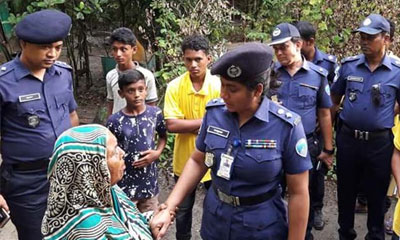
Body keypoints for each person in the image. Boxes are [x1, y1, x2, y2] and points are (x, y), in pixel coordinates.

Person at [153, 42, 312, 240]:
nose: (223, 94)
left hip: (261, 227)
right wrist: (169, 207)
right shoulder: (215, 113)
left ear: (257, 90)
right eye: (222, 85)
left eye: (232, 89)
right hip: (216, 221)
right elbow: (198, 160)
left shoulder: (286, 127)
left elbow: (298, 193)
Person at [0, 9, 79, 240]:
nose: (52, 54)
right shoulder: (4, 83)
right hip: (26, 183)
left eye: (58, 47)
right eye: (45, 47)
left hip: (66, 173)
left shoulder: (63, 74)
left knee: (70, 232)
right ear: (24, 44)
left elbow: (72, 116)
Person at [330, 13, 400, 240]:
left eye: (370, 37)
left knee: (377, 195)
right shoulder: (349, 67)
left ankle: (375, 235)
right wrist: (328, 139)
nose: (364, 41)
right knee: (346, 192)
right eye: (362, 37)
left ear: (387, 39)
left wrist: (384, 114)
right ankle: (345, 234)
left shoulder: (397, 71)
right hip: (349, 139)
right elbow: (333, 100)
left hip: (379, 144)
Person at [269, 22, 334, 240]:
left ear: (298, 45)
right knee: (273, 195)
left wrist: (327, 149)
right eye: (275, 49)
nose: (279, 53)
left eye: (283, 47)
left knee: (303, 196)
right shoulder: (269, 75)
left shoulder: (317, 75)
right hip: (273, 147)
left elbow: (325, 113)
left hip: (304, 145)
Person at [41, 124, 159, 239]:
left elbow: (129, 221)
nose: (122, 153)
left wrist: (155, 217)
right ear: (92, 169)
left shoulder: (109, 192)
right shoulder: (86, 231)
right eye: (113, 152)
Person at [163, 34, 220, 240]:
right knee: (182, 210)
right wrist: (207, 123)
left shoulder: (219, 86)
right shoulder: (175, 87)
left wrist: (189, 124)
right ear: (183, 59)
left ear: (208, 59)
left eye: (198, 59)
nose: (193, 64)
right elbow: (172, 124)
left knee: (214, 209)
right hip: (184, 160)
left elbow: (225, 122)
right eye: (189, 59)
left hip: (213, 160)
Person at [294, 20, 338, 231]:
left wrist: (324, 124)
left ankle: (317, 208)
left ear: (310, 42)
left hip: (318, 129)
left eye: (299, 42)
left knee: (317, 173)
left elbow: (334, 98)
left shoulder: (328, 64)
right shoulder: (285, 66)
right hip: (297, 130)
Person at [106, 69, 167, 212]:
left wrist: (157, 153)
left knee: (151, 225)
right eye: (131, 91)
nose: (137, 95)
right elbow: (109, 152)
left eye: (141, 89)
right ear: (121, 93)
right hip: (124, 187)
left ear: (146, 90)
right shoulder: (115, 121)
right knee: (128, 227)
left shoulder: (155, 114)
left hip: (149, 186)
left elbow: (163, 136)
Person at [106, 27, 158, 117]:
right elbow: (111, 104)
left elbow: (151, 106)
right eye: (115, 49)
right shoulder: (111, 76)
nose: (118, 54)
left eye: (123, 49)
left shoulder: (146, 76)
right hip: (117, 127)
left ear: (134, 50)